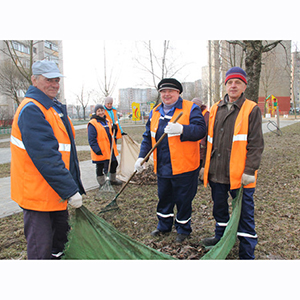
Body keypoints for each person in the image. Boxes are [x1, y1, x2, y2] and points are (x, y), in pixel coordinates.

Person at [10, 60, 85, 259]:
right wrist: (70, 190)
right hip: (37, 196)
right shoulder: (32, 110)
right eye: (48, 80)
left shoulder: (52, 108)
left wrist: (72, 186)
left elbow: (67, 152)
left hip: (54, 192)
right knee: (40, 250)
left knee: (58, 243)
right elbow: (47, 156)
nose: (54, 84)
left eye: (57, 80)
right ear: (34, 80)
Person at [201, 67, 264, 259]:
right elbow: (207, 140)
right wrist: (205, 165)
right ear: (225, 85)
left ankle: (246, 251)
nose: (233, 86)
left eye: (238, 82)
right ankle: (221, 238)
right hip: (217, 172)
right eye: (230, 82)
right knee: (219, 209)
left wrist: (250, 169)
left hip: (239, 175)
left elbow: (256, 144)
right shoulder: (215, 108)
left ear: (244, 85)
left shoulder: (251, 109)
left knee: (245, 214)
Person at [134, 78, 206, 243]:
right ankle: (164, 225)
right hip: (163, 165)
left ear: (178, 93)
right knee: (164, 197)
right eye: (163, 92)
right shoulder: (155, 112)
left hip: (185, 165)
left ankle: (183, 229)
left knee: (183, 199)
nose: (166, 94)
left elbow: (201, 130)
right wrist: (141, 157)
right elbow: (148, 137)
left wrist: (182, 129)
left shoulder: (191, 108)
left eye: (170, 91)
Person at [87, 104, 122, 186]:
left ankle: (112, 180)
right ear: (95, 112)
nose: (101, 112)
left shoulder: (107, 121)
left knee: (114, 164)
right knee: (100, 167)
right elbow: (91, 139)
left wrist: (115, 129)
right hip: (100, 149)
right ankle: (102, 183)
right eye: (98, 111)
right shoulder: (92, 123)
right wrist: (96, 149)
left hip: (109, 149)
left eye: (102, 110)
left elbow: (111, 134)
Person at [191, 97, 209, 183]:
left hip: (202, 142)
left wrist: (203, 141)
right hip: (195, 141)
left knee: (202, 159)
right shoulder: (195, 112)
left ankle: (201, 178)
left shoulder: (206, 114)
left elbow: (205, 128)